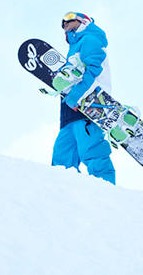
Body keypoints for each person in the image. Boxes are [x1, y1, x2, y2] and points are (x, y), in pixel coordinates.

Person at [50, 12, 116, 185]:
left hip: (89, 106)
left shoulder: (90, 39)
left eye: (69, 17)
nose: (64, 22)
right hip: (69, 113)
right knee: (61, 161)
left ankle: (109, 195)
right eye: (62, 21)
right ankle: (62, 197)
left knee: (93, 153)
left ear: (84, 20)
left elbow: (95, 70)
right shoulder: (74, 46)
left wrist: (75, 97)